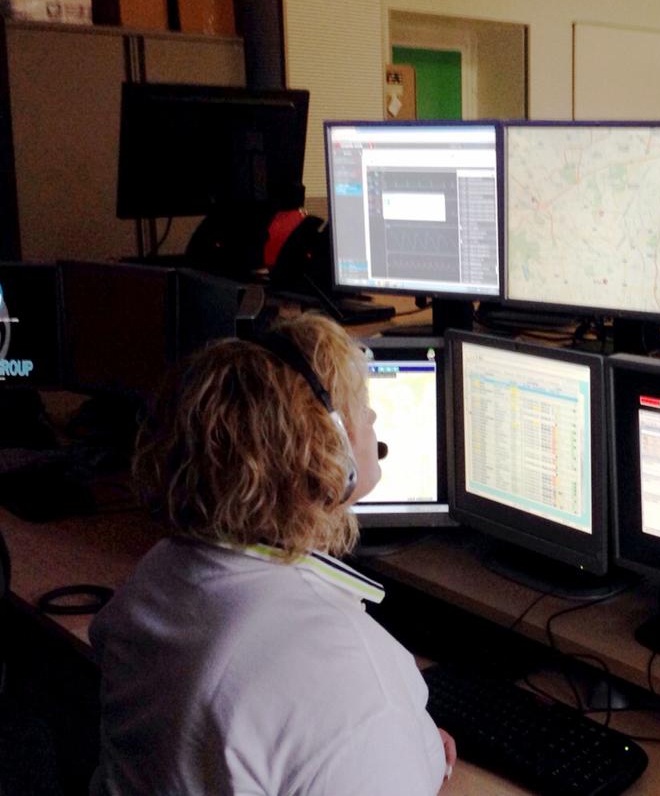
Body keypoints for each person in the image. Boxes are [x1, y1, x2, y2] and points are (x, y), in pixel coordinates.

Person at [89, 312, 455, 795]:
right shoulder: (347, 677)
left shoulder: (157, 574)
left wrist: (406, 743)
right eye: (359, 405)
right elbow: (324, 716)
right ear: (327, 450)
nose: (370, 418)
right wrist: (386, 736)